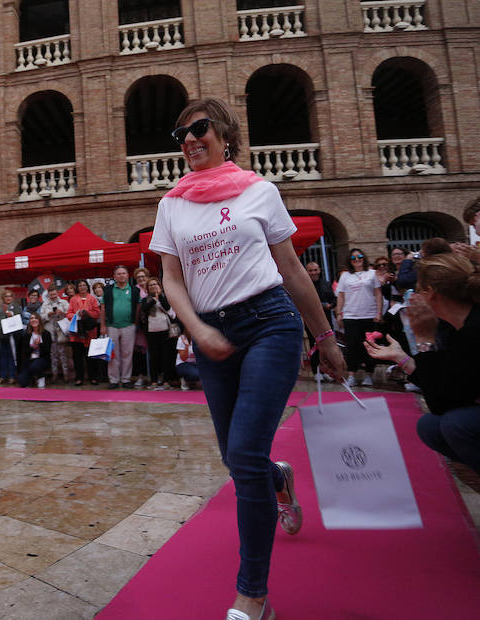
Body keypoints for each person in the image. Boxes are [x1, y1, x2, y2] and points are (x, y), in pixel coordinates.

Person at [149, 97, 346, 620]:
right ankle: (276, 477)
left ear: (225, 134)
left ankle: (253, 595)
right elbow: (171, 278)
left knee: (242, 453)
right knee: (239, 461)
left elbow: (292, 269)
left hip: (269, 324)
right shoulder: (172, 204)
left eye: (199, 127)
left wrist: (324, 336)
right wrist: (196, 330)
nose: (190, 139)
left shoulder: (261, 191)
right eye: (181, 134)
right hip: (212, 332)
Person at [365, 252, 480, 475]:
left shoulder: (472, 330)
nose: (413, 297)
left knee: (455, 424)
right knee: (430, 427)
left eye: (417, 290)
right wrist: (402, 358)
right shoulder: (454, 328)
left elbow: (440, 402)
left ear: (431, 294)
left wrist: (423, 338)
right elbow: (445, 384)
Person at [335, 248, 383, 386]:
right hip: (351, 316)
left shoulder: (372, 274)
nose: (357, 260)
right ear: (350, 261)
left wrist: (379, 312)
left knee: (370, 346)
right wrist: (339, 314)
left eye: (360, 256)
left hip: (369, 314)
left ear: (364, 258)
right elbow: (341, 296)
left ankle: (369, 374)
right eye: (353, 258)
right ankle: (351, 375)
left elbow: (378, 294)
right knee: (352, 346)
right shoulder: (345, 276)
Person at [99, 265, 139, 389]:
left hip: (129, 325)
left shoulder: (134, 290)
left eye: (124, 273)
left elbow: (138, 307)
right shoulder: (108, 290)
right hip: (112, 326)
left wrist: (135, 323)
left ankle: (126, 379)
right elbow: (103, 308)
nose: (121, 275)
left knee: (128, 353)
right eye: (119, 273)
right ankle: (114, 380)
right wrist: (103, 325)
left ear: (128, 275)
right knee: (113, 354)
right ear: (114, 276)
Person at [139, 278, 175, 388]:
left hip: (166, 330)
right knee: (154, 356)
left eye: (155, 284)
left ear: (160, 286)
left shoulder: (166, 297)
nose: (153, 286)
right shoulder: (146, 299)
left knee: (167, 356)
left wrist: (160, 297)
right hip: (151, 330)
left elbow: (168, 308)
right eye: (150, 285)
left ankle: (166, 380)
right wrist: (154, 299)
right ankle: (154, 380)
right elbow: (144, 310)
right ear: (147, 288)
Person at [304, 261, 336, 380]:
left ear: (320, 270)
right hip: (311, 320)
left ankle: (328, 371)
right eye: (310, 270)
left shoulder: (326, 284)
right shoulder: (304, 285)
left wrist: (330, 305)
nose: (313, 273)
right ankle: (316, 370)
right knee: (314, 344)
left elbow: (334, 300)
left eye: (315, 270)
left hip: (326, 319)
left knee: (327, 345)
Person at [66, 279, 100, 386]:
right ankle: (79, 377)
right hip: (77, 332)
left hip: (90, 332)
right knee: (77, 357)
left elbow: (97, 313)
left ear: (87, 287)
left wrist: (86, 313)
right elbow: (68, 314)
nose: (82, 287)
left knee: (91, 356)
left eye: (84, 285)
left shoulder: (92, 298)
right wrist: (77, 314)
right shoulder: (73, 299)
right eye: (80, 285)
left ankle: (93, 377)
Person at [39, 284, 70, 384]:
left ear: (57, 293)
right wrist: (48, 314)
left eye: (54, 294)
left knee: (63, 353)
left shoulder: (64, 302)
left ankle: (66, 374)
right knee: (53, 354)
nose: (53, 296)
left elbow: (69, 315)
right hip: (50, 331)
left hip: (61, 330)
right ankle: (54, 374)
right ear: (48, 295)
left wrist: (61, 313)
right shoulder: (45, 304)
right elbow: (41, 318)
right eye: (51, 295)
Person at [17, 313, 52, 388]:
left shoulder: (46, 334)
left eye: (36, 318)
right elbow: (24, 351)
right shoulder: (27, 335)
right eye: (31, 318)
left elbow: (47, 351)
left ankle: (41, 377)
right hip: (29, 360)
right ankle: (32, 378)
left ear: (39, 320)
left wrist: (39, 345)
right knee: (22, 381)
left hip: (42, 359)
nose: (33, 320)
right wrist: (33, 346)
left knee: (36, 365)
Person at [0, 291, 22, 384]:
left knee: (12, 355)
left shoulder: (16, 306)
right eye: (6, 296)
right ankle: (3, 376)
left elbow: (20, 317)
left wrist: (12, 315)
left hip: (12, 334)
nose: (8, 298)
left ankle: (12, 376)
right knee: (3, 356)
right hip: (2, 334)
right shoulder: (1, 307)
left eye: (10, 296)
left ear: (12, 297)